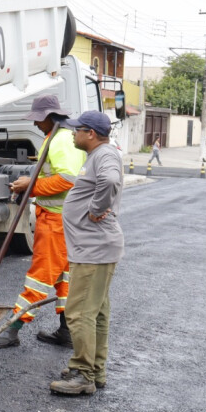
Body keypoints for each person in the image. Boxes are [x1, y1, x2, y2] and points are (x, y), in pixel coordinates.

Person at [0, 95, 85, 349]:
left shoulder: (62, 140)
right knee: (64, 277)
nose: (36, 125)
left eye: (38, 120)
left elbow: (67, 180)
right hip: (60, 218)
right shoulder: (57, 136)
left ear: (49, 117)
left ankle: (12, 329)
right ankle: (67, 330)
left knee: (39, 278)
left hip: (57, 221)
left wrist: (31, 186)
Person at [49, 110, 124, 396]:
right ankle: (95, 370)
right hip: (96, 248)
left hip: (93, 249)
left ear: (90, 133)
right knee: (96, 312)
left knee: (79, 312)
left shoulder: (104, 155)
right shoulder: (99, 155)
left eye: (77, 129)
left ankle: (83, 374)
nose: (71, 133)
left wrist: (94, 210)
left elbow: (110, 181)